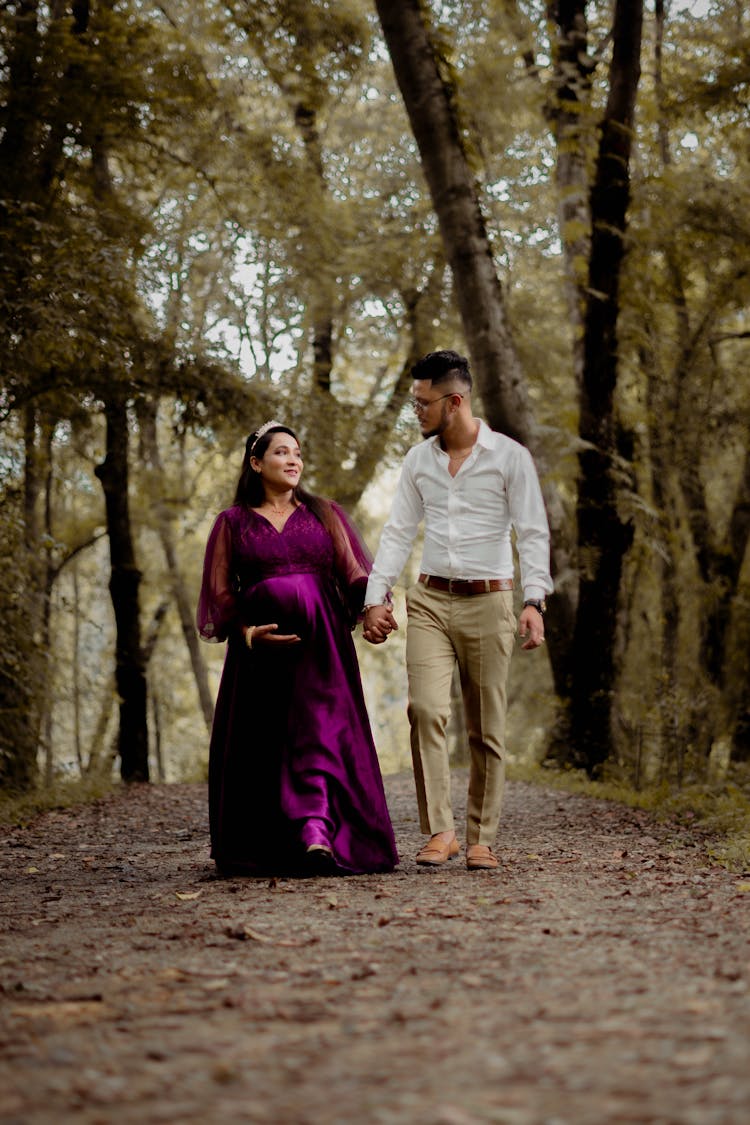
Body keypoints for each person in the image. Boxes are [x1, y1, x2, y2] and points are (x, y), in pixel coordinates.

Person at [362, 351, 552, 871]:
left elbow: (533, 532)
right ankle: (440, 830)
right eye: (413, 402)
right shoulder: (418, 461)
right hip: (429, 601)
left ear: (455, 401)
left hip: (491, 602)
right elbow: (398, 533)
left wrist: (534, 600)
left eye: (423, 403)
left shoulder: (510, 458)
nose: (416, 412)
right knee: (424, 709)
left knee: (486, 726)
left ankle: (481, 837)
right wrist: (374, 597)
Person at [196, 421, 399, 877]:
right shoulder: (231, 523)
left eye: (298, 454)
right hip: (260, 657)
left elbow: (353, 572)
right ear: (256, 463)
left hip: (321, 647)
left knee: (321, 733)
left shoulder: (325, 513)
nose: (293, 461)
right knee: (269, 742)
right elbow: (220, 596)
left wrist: (372, 608)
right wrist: (249, 634)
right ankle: (275, 840)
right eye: (281, 453)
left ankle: (317, 831)